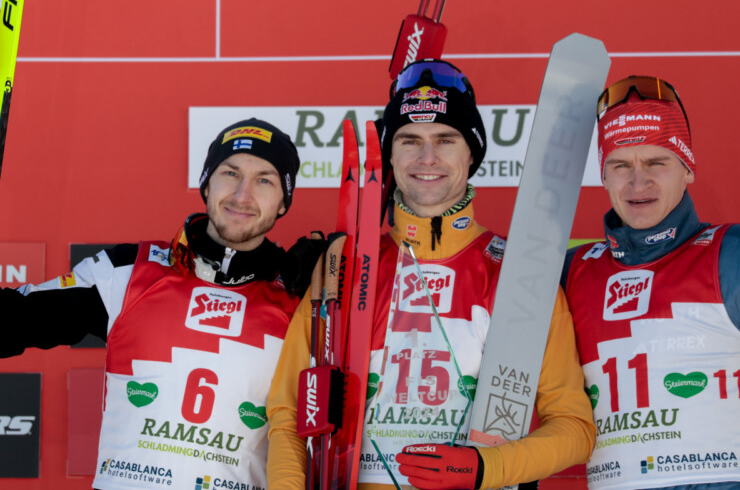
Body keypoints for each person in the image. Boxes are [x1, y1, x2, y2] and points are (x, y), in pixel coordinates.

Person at [266, 59, 596, 489]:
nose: (427, 157)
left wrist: (482, 469)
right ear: (390, 153)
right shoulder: (344, 267)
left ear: (471, 151)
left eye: (445, 139)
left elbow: (574, 427)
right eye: (409, 140)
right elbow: (289, 412)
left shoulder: (517, 273)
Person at [0, 118, 324, 490]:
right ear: (206, 181)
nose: (242, 195)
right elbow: (12, 322)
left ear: (284, 201)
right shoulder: (128, 272)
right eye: (230, 172)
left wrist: (330, 280)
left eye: (264, 180)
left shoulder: (303, 299)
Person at [561, 76, 740, 489]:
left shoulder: (728, 254)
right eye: (621, 166)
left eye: (656, 163)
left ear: (688, 168)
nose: (637, 183)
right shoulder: (571, 272)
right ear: (603, 177)